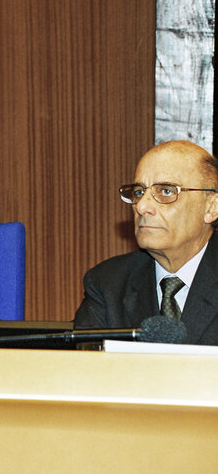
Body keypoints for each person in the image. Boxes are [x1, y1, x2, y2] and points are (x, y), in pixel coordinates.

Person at [74, 140, 218, 345]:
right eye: (139, 192)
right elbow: (84, 370)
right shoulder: (108, 283)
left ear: (211, 207)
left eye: (166, 191)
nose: (142, 206)